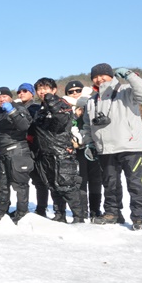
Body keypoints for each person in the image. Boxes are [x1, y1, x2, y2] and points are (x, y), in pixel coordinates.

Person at [82, 64, 142, 230]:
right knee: (110, 184)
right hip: (105, 148)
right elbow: (87, 125)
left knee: (136, 183)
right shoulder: (92, 101)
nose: (99, 79)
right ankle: (112, 213)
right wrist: (89, 143)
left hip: (130, 146)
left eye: (103, 75)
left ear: (111, 75)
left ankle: (140, 218)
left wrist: (130, 75)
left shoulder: (126, 90)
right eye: (95, 77)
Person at [32, 78, 86, 223]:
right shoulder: (40, 109)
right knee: (52, 186)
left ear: (54, 90)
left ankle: (78, 216)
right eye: (39, 89)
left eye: (46, 88)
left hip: (61, 152)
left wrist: (53, 105)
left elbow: (61, 122)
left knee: (67, 186)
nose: (42, 91)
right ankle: (59, 214)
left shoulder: (62, 104)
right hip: (45, 153)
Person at [0, 87, 35, 224]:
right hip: (2, 153)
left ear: (10, 97)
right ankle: (1, 211)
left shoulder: (19, 108)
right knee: (2, 184)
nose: (1, 99)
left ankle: (22, 212)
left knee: (20, 184)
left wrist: (12, 112)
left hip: (17, 151)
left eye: (4, 96)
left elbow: (24, 126)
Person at [64, 80, 103, 218]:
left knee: (96, 179)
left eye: (78, 90)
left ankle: (95, 210)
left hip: (93, 147)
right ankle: (83, 210)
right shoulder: (64, 106)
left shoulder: (92, 102)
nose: (75, 93)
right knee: (80, 180)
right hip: (76, 149)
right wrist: (75, 116)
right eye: (71, 91)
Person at [18, 82, 51, 217]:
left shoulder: (37, 108)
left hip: (36, 149)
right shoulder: (17, 108)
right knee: (21, 181)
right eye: (19, 92)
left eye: (25, 91)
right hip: (21, 148)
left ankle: (41, 208)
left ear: (32, 93)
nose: (21, 93)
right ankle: (22, 208)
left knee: (39, 180)